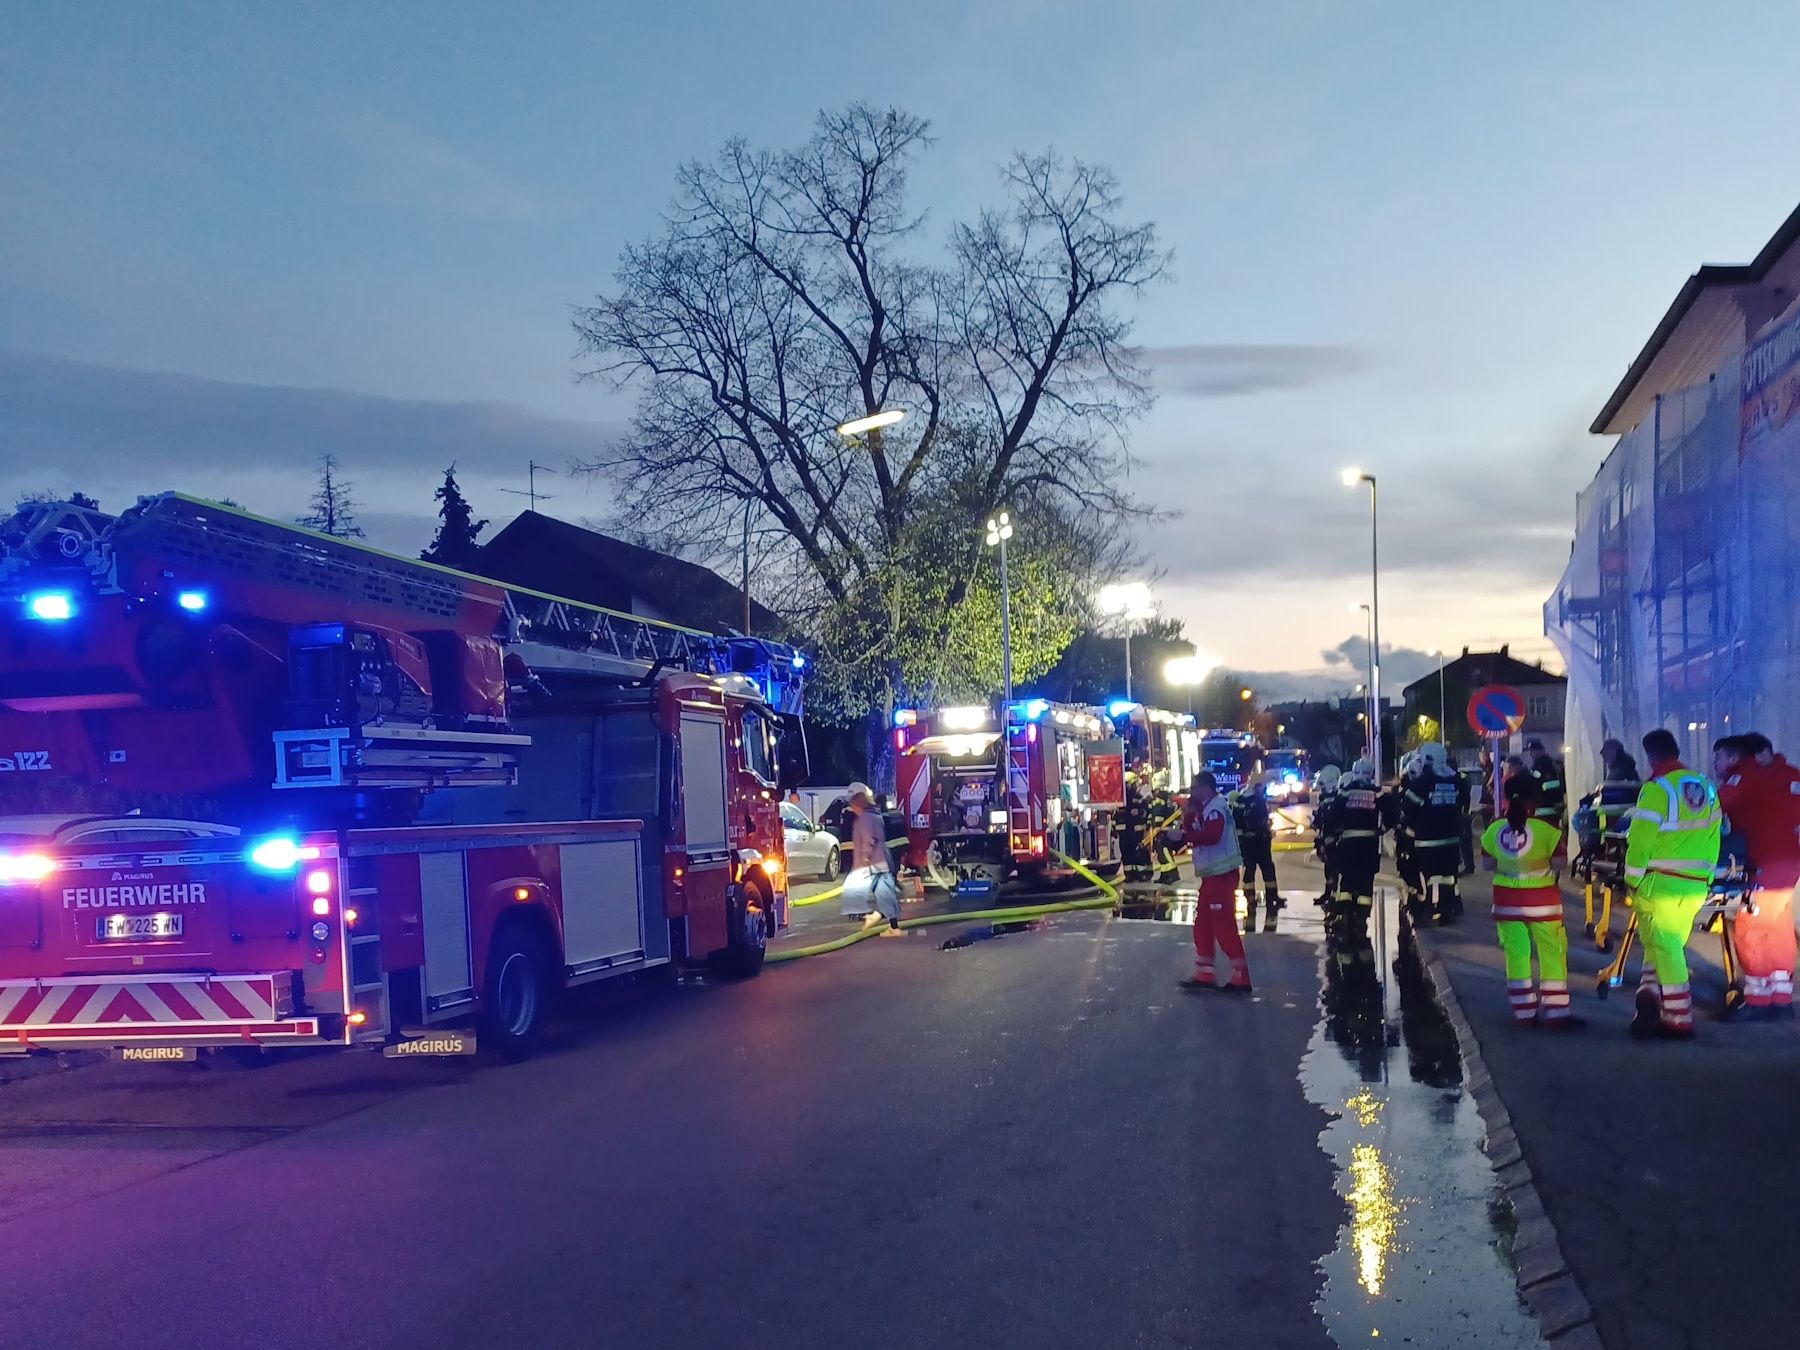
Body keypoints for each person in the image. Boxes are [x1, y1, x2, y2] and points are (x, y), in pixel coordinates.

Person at [1623, 729, 1722, 1038]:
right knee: (1664, 946)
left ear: (1651, 756)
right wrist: (1706, 877)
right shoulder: (1706, 787)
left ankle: (1678, 1018)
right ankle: (1651, 995)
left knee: (1663, 946)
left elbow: (1640, 841)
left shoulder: (1656, 789)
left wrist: (1631, 879)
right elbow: (1714, 836)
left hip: (1660, 885)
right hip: (1694, 885)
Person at [1482, 775, 1579, 1029]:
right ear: (1533, 799)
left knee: (1516, 955)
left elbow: (1487, 864)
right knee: (1552, 953)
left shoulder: (1494, 829)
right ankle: (1557, 1012)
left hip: (1506, 904)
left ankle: (1524, 1012)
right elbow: (1559, 864)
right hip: (1543, 904)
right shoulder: (1548, 831)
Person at [1715, 733, 1799, 1018]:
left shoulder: (1744, 777)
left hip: (1766, 862)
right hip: (1786, 861)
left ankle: (1757, 999)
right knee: (1778, 927)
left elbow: (1710, 808)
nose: (1716, 763)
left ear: (1737, 757)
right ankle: (1781, 996)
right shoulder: (1780, 777)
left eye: (1720, 757)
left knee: (1752, 926)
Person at [1179, 771, 1251, 992]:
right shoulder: (1207, 808)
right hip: (1212, 876)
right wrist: (1188, 817)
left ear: (1207, 788)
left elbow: (1211, 836)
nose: (1192, 792)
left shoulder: (1215, 809)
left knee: (1222, 924)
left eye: (1195, 788)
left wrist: (1183, 836)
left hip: (1222, 875)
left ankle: (1240, 977)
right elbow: (1198, 831)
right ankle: (1204, 972)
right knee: (1203, 923)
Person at [1406, 741, 1465, 924]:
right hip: (1451, 839)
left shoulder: (1420, 782)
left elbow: (1409, 808)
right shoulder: (1455, 781)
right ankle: (1446, 910)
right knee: (1448, 876)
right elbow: (1463, 805)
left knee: (1430, 876)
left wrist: (1411, 827)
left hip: (1427, 840)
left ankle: (1430, 909)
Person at [1329, 757, 1383, 927]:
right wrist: (1382, 829)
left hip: (1348, 844)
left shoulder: (1345, 791)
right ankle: (1362, 917)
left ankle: (1345, 913)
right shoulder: (1376, 792)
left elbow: (1332, 815)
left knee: (1347, 879)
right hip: (1369, 843)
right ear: (1371, 773)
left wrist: (1332, 835)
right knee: (1366, 880)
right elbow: (1392, 813)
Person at [846, 782, 904, 937]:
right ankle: (892, 926)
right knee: (885, 895)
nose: (853, 809)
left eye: (853, 805)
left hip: (870, 864)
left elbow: (868, 840)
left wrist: (864, 860)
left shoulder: (865, 818)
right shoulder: (876, 815)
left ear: (858, 804)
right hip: (880, 862)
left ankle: (876, 916)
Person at [1233, 773, 1282, 932]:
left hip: (1246, 843)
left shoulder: (1239, 801)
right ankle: (1272, 898)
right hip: (1260, 842)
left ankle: (1250, 900)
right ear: (1257, 786)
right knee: (1268, 870)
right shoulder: (1259, 800)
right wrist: (1267, 830)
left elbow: (1236, 824)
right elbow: (1262, 822)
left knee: (1249, 871)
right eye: (1262, 786)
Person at [1313, 764, 1343, 906]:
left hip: (1334, 838)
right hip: (1326, 836)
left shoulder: (1336, 798)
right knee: (1328, 867)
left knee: (1334, 867)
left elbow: (1329, 818)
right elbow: (1321, 816)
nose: (1322, 789)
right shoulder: (1326, 798)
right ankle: (1328, 892)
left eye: (1323, 786)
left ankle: (1334, 896)